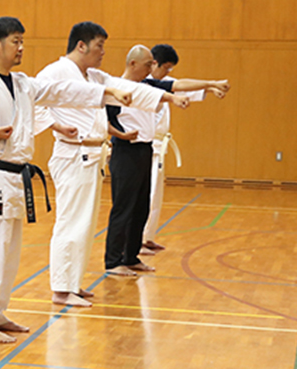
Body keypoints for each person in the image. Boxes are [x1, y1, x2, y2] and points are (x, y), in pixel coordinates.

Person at [0, 17, 137, 344]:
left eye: (22, 41)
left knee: (9, 254)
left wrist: (106, 92)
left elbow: (63, 90)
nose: (21, 47)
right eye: (16, 41)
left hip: (15, 178)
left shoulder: (22, 83)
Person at [38, 22, 187, 307]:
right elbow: (32, 102)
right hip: (71, 154)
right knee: (70, 223)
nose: (103, 52)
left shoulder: (93, 75)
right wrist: (55, 124)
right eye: (99, 46)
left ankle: (73, 283)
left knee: (85, 224)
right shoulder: (55, 71)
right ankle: (61, 288)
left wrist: (168, 97)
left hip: (92, 155)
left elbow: (126, 88)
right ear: (81, 46)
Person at [104, 45, 230, 277]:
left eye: (153, 64)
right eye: (147, 64)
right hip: (125, 151)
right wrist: (120, 135)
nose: (151, 68)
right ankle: (113, 261)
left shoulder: (147, 85)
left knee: (142, 207)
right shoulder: (114, 88)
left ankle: (131, 256)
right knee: (123, 208)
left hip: (144, 149)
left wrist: (210, 84)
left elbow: (178, 84)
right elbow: (102, 121)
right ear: (132, 64)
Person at [141, 44, 228, 254]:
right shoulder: (142, 84)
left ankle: (148, 237)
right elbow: (179, 85)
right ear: (154, 64)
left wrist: (209, 88)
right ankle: (139, 240)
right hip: (145, 146)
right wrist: (211, 83)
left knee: (156, 195)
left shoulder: (162, 82)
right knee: (147, 194)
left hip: (159, 147)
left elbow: (183, 85)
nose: (168, 73)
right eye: (166, 68)